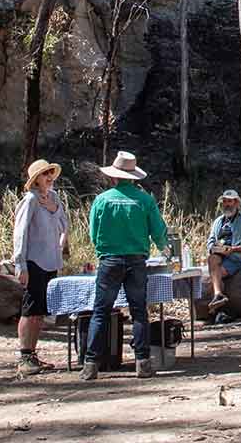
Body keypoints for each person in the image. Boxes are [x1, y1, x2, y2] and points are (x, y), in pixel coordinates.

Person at [81, 150, 171, 382]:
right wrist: (165, 249)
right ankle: (142, 362)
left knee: (100, 312)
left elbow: (93, 232)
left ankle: (91, 364)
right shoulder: (145, 200)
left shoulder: (102, 200)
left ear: (113, 177)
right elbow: (158, 232)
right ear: (133, 177)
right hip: (136, 261)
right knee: (138, 312)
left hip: (110, 259)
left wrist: (103, 251)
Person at [12, 159, 70, 377]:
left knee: (40, 312)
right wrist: (20, 264)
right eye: (44, 174)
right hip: (34, 261)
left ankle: (33, 355)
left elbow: (65, 223)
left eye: (50, 173)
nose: (49, 177)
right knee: (30, 309)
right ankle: (24, 357)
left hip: (51, 261)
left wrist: (56, 213)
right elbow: (20, 233)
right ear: (35, 179)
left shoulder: (54, 198)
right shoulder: (30, 200)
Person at [204, 189, 241, 310]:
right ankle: (218, 296)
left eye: (230, 201)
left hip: (236, 258)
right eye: (225, 201)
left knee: (215, 276)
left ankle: (220, 308)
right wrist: (214, 248)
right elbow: (210, 241)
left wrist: (233, 249)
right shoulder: (218, 221)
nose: (227, 204)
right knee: (212, 259)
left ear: (236, 203)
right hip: (219, 256)